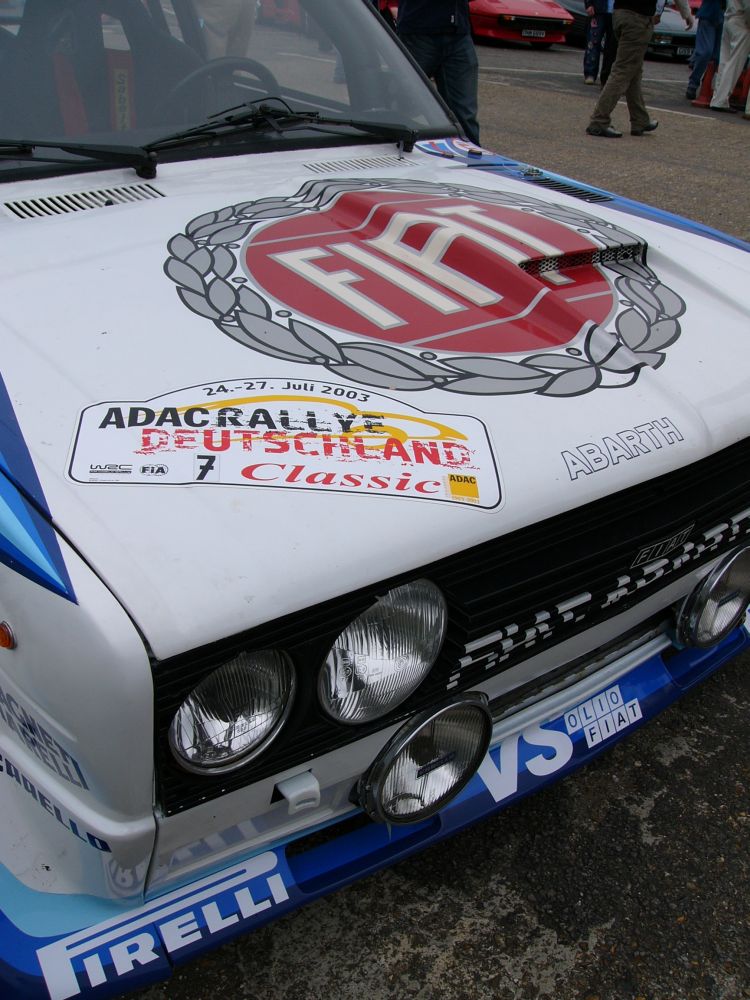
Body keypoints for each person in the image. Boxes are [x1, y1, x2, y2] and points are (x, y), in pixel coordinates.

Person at [586, 0, 693, 136]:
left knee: (634, 70)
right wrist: (687, 14)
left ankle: (640, 119)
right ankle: (599, 120)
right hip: (638, 19)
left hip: (620, 14)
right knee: (623, 70)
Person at [396, 0, 480, 145]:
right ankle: (392, 155)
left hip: (458, 33)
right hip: (418, 33)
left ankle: (470, 160)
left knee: (464, 114)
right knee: (404, 106)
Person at [709, 0, 750, 110]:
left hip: (729, 18)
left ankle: (717, 98)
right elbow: (748, 7)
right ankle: (721, 100)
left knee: (724, 62)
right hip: (741, 23)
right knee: (734, 64)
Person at [686, 0, 725, 99]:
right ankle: (693, 84)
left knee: (718, 56)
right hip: (709, 15)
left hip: (726, 17)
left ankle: (708, 85)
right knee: (705, 52)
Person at [584, 0, 617, 85]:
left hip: (617, 13)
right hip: (597, 10)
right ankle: (590, 73)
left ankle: (607, 76)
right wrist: (589, 4)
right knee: (593, 42)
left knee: (612, 47)